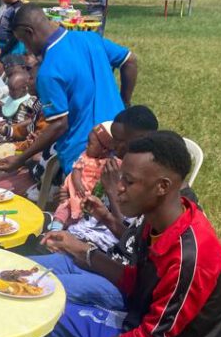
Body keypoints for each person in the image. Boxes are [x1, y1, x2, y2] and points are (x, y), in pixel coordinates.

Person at [33, 132, 221, 337]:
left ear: (162, 186)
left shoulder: (189, 256)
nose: (117, 189)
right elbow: (133, 282)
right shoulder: (157, 223)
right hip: (140, 330)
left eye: (128, 181)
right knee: (47, 317)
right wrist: (83, 252)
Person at [34, 106, 161, 308]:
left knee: (41, 291)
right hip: (95, 256)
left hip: (115, 276)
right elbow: (118, 226)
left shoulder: (150, 190)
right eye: (114, 139)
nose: (115, 146)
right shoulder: (117, 166)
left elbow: (132, 244)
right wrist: (92, 207)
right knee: (23, 270)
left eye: (122, 141)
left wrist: (112, 191)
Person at [0, 3, 137, 179]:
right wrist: (125, 102)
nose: (27, 48)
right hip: (118, 144)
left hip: (83, 157)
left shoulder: (48, 71)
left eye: (24, 41)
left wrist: (20, 159)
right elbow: (130, 61)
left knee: (80, 197)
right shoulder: (90, 39)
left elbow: (58, 125)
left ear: (29, 32)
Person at [49, 122, 115, 231]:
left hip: (89, 199)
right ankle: (55, 228)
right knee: (64, 209)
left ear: (104, 150)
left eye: (90, 144)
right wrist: (78, 184)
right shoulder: (84, 157)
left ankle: (66, 227)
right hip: (76, 191)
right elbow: (76, 170)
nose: (86, 146)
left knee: (77, 216)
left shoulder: (109, 164)